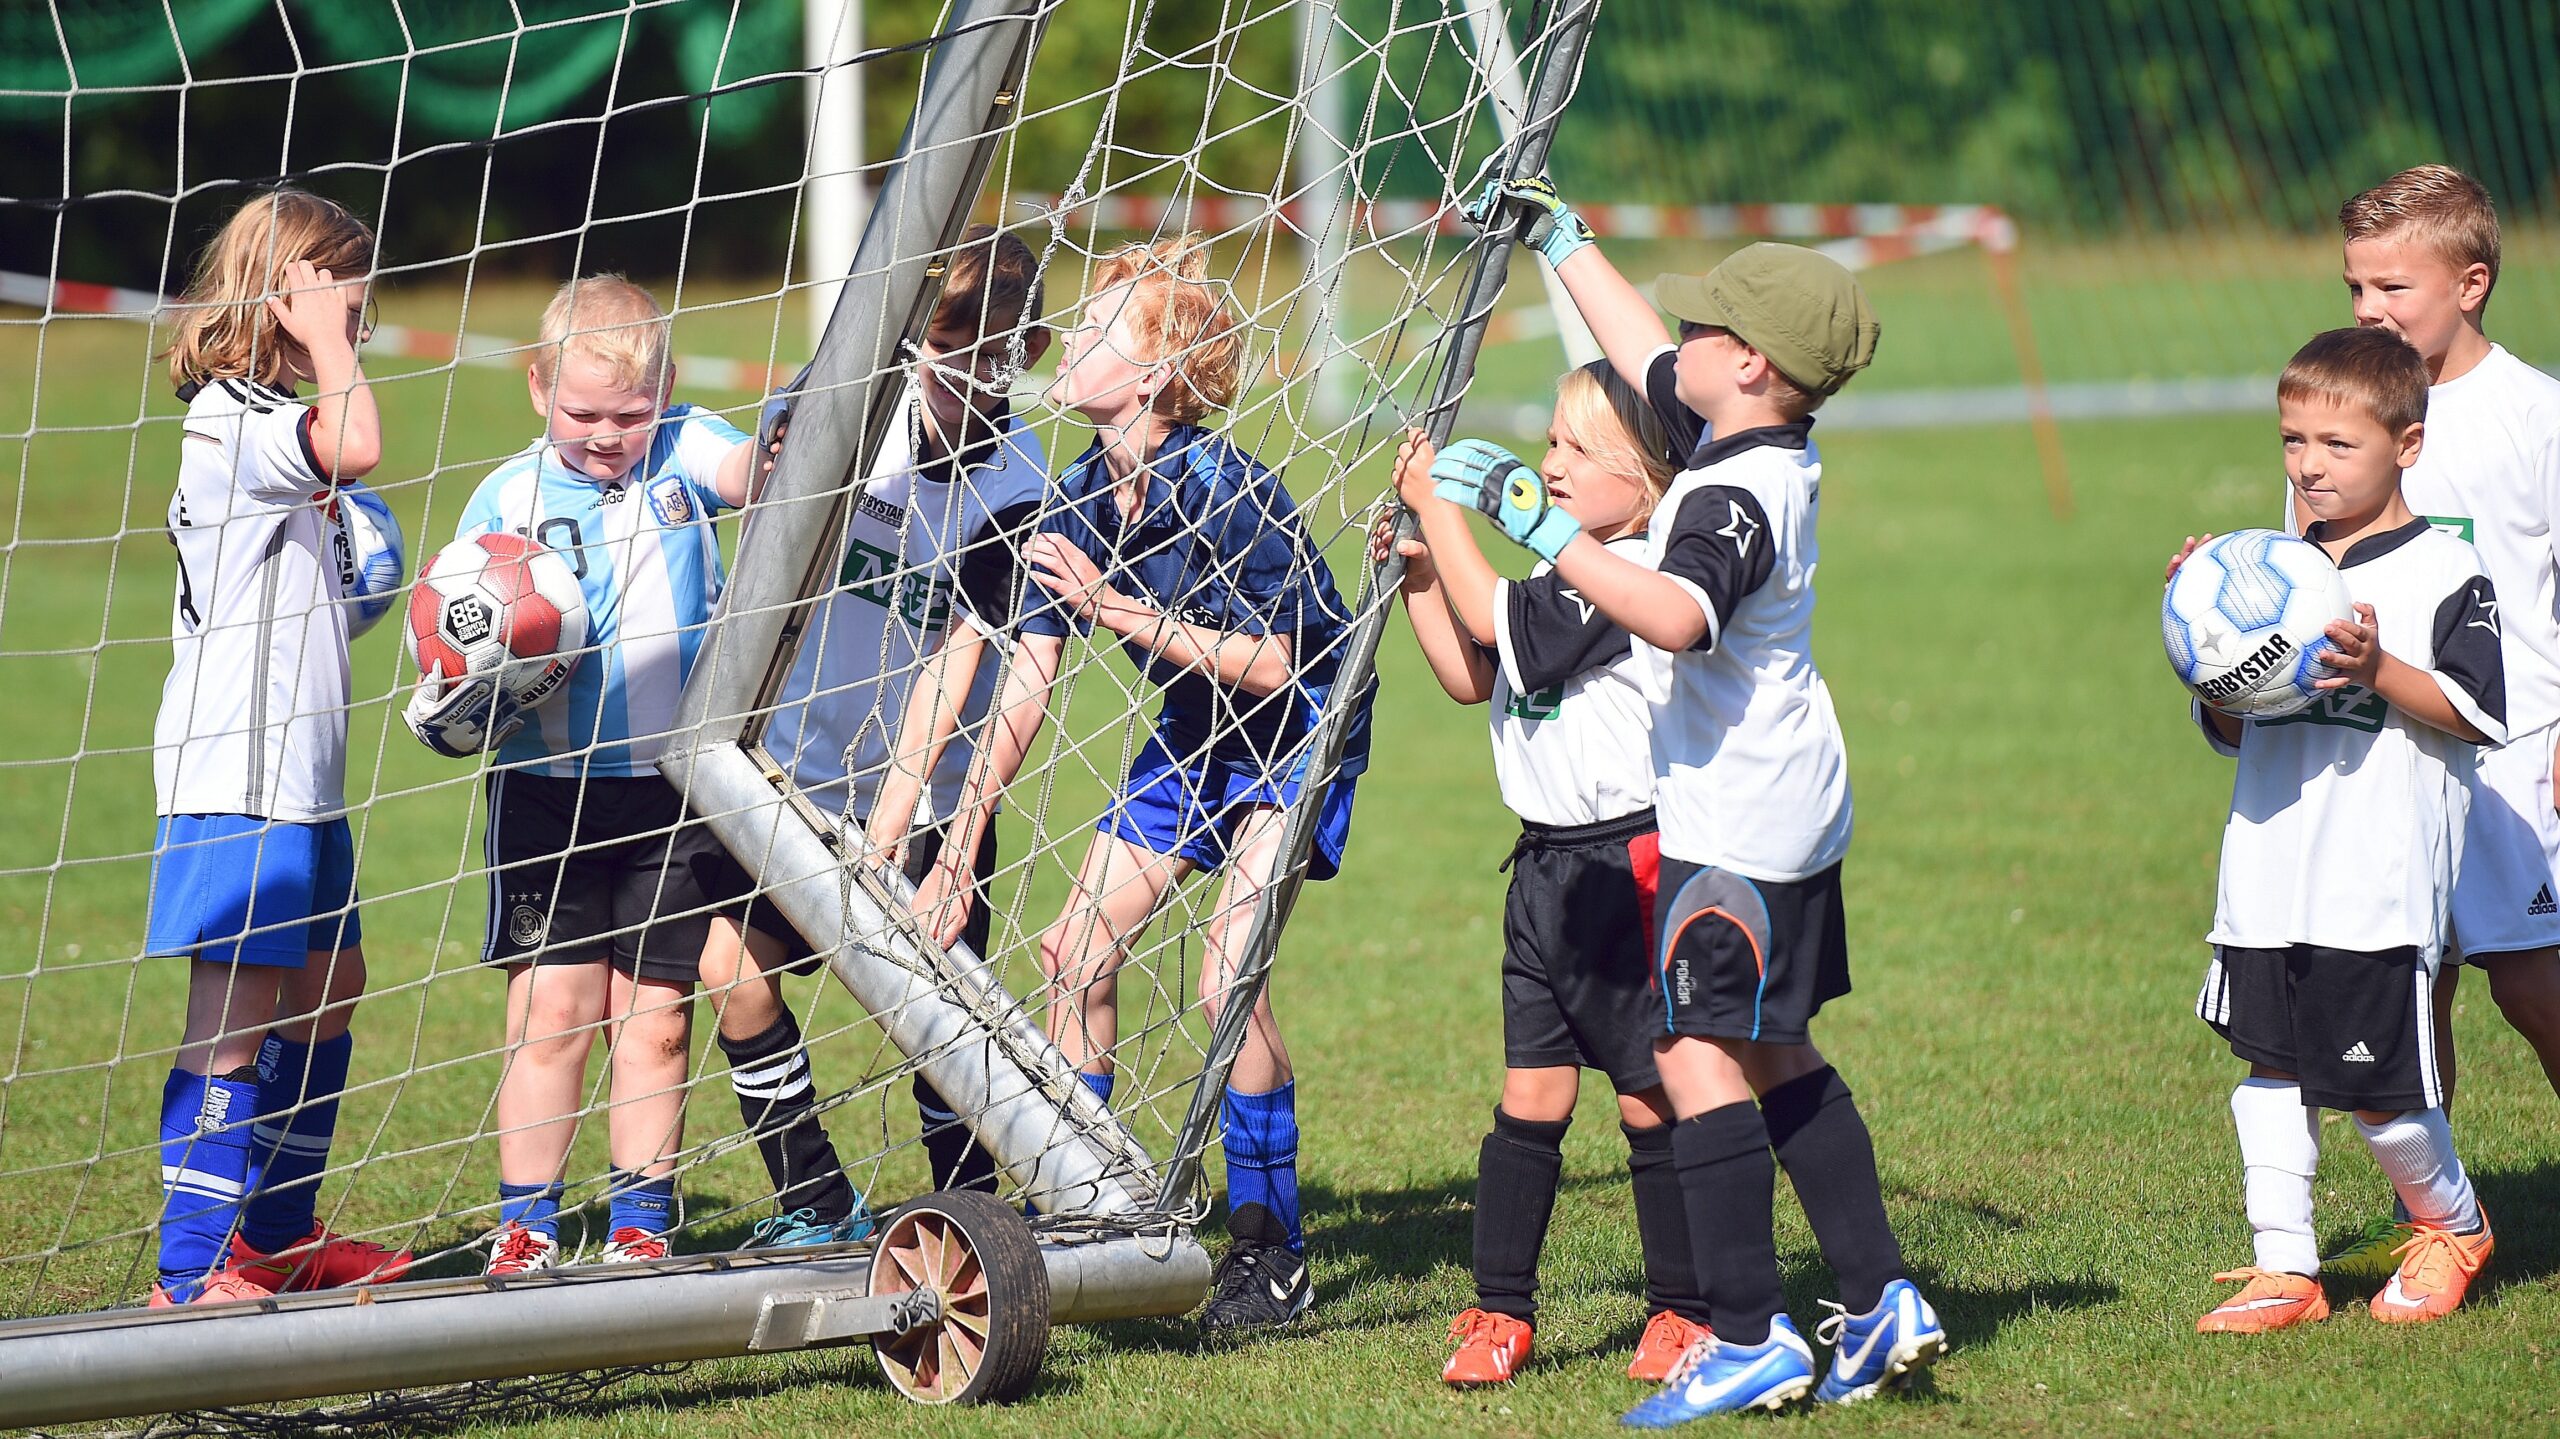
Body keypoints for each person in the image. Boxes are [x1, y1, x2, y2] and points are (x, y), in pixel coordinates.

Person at [1457, 175, 1943, 1421]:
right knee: (1775, 1047)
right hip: (1790, 799)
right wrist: (1565, 247)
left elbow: (1677, 615)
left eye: (1706, 336)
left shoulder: (1730, 493)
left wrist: (1544, 534)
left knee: (1690, 1054)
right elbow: (1647, 353)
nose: (1680, 353)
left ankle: (1747, 1331)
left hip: (1734, 820)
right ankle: (1883, 1291)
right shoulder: (1753, 438)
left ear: (1754, 362)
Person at [885, 233, 1373, 1334]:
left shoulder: (1230, 486)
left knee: (1226, 975)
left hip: (1299, 736)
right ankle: (1093, 1208)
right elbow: (1026, 683)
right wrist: (959, 842)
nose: (1069, 343)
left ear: (1153, 375)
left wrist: (1119, 608)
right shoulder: (1071, 495)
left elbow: (1281, 664)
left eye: (1100, 330)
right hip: (1198, 729)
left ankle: (1270, 1250)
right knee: (1071, 951)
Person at [695, 225, 1050, 1243]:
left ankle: (973, 1215)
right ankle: (817, 1202)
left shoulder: (1020, 488)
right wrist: (795, 438)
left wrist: (920, 823)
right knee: (731, 965)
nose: (973, 373)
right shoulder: (844, 418)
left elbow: (980, 655)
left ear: (1026, 355)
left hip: (933, 798)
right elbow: (762, 514)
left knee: (940, 1024)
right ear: (908, 339)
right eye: (951, 344)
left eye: (998, 353)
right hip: (785, 769)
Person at [412, 275, 765, 1275]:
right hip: (543, 789)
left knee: (652, 1016)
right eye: (583, 412)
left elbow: (749, 471)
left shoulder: (681, 447)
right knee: (553, 1009)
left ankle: (640, 1222)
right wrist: (464, 686)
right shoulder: (507, 497)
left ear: (662, 397)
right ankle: (524, 1225)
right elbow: (452, 621)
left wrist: (788, 435)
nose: (609, 433)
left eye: (630, 411)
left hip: (671, 791)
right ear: (538, 388)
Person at [1382, 362, 1713, 1386]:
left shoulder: (1633, 568)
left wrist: (1443, 510)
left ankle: (1680, 1310)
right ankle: (1498, 1311)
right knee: (1529, 1094)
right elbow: (1469, 671)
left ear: (1645, 474)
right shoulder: (1564, 569)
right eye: (1551, 441)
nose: (1549, 465)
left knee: (1648, 1098)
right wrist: (1422, 573)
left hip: (1631, 865)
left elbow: (1500, 629)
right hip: (1542, 872)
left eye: (1576, 449)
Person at [2176, 327, 2502, 1329]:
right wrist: (2201, 633)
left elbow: (2476, 711)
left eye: (2335, 443)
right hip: (2267, 867)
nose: (2308, 464)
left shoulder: (2447, 568)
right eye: (2292, 440)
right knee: (2267, 1072)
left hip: (2377, 878)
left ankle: (2452, 1222)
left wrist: (2377, 669)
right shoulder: (2267, 565)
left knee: (2379, 1093)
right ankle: (2288, 1268)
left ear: (2405, 443)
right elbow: (2230, 727)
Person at [146, 188, 411, 1304]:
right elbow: (358, 437)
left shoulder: (268, 422)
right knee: (234, 1024)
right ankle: (189, 1269)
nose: (363, 313)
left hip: (300, 777)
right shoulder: (230, 418)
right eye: (348, 291)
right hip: (237, 775)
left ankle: (277, 1232)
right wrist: (332, 340)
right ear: (294, 291)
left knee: (330, 985)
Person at [2314, 165, 2560, 1280]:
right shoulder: (2349, 411)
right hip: (2394, 750)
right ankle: (2437, 1223)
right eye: (2355, 284)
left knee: (2533, 981)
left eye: (2391, 287)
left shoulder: (2533, 412)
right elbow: (2317, 573)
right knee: (2416, 986)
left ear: (2471, 283)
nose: (2367, 309)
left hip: (2516, 749)